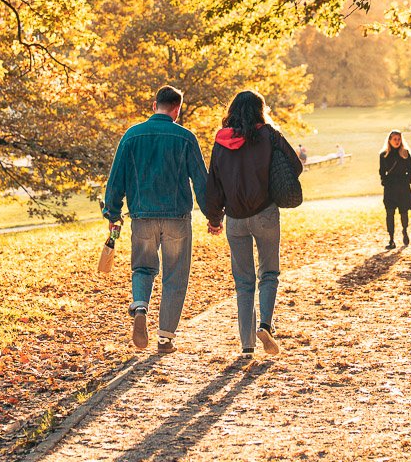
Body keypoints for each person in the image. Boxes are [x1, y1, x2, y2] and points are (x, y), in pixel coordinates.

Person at [103, 85, 212, 354]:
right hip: (177, 218)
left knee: (143, 268)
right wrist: (213, 215)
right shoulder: (185, 138)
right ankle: (165, 339)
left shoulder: (131, 136)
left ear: (155, 106)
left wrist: (113, 214)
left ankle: (140, 305)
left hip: (142, 216)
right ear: (177, 110)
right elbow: (201, 181)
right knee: (175, 276)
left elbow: (116, 179)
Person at [206, 90, 303, 356]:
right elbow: (295, 166)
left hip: (235, 219)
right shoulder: (269, 135)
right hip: (265, 213)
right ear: (259, 110)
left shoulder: (220, 141)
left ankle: (247, 344)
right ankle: (265, 325)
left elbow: (213, 183)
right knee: (269, 274)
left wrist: (215, 219)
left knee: (243, 281)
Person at [379, 130, 411, 249]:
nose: (397, 141)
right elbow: (381, 171)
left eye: (399, 139)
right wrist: (384, 181)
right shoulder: (384, 155)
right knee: (390, 213)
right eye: (394, 139)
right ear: (389, 140)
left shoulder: (405, 153)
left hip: (403, 186)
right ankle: (391, 239)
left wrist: (408, 180)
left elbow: (410, 168)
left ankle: (404, 230)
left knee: (404, 212)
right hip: (390, 187)